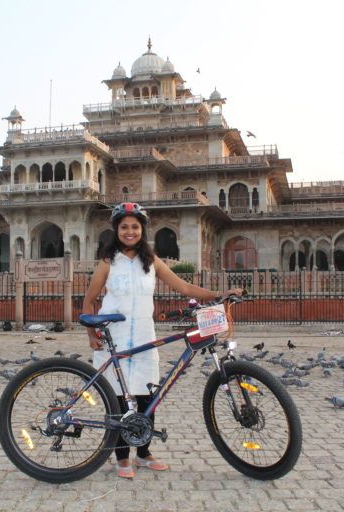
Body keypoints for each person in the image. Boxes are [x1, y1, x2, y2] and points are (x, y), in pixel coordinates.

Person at [82, 202, 243, 479]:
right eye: (124, 227)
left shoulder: (152, 262)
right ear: (116, 231)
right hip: (115, 337)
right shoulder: (108, 263)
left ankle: (143, 453)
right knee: (118, 399)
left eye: (135, 227)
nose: (130, 231)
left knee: (148, 397)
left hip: (145, 334)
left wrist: (218, 293)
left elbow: (184, 287)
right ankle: (121, 458)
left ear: (142, 230)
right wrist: (90, 334)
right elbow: (89, 299)